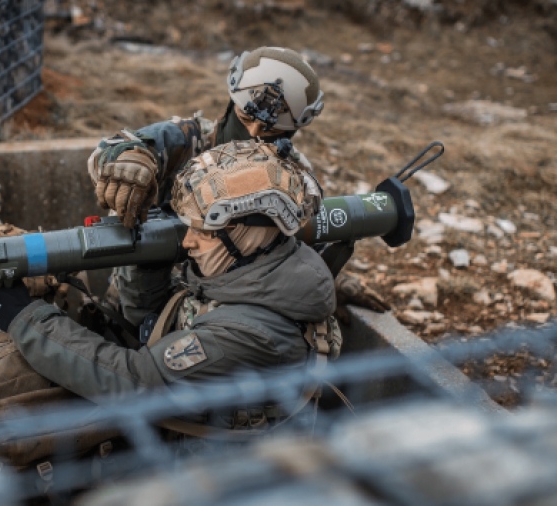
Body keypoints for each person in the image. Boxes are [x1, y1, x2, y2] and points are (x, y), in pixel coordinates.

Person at [0, 140, 337, 428]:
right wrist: (147, 270)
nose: (187, 242)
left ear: (244, 235)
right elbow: (150, 323)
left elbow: (135, 381)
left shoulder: (252, 331)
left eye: (202, 231)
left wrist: (25, 319)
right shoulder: (253, 269)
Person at [86, 45, 388, 322]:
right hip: (135, 298)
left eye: (269, 130)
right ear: (232, 104)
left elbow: (302, 242)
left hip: (216, 315)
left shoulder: (291, 175)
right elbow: (120, 148)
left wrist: (335, 279)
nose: (254, 132)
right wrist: (130, 162)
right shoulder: (188, 139)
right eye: (245, 118)